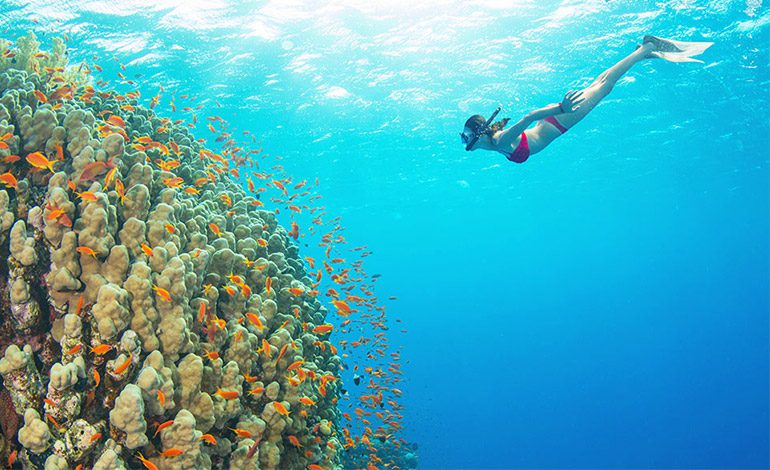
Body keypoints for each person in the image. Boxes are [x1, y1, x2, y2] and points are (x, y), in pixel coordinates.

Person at [460, 36, 714, 164]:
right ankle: (641, 53)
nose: (465, 141)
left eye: (466, 135)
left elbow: (528, 118)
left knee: (604, 87)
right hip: (552, 121)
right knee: (598, 84)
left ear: (478, 133)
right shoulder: (495, 143)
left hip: (558, 120)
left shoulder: (500, 140)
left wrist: (561, 107)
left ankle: (647, 47)